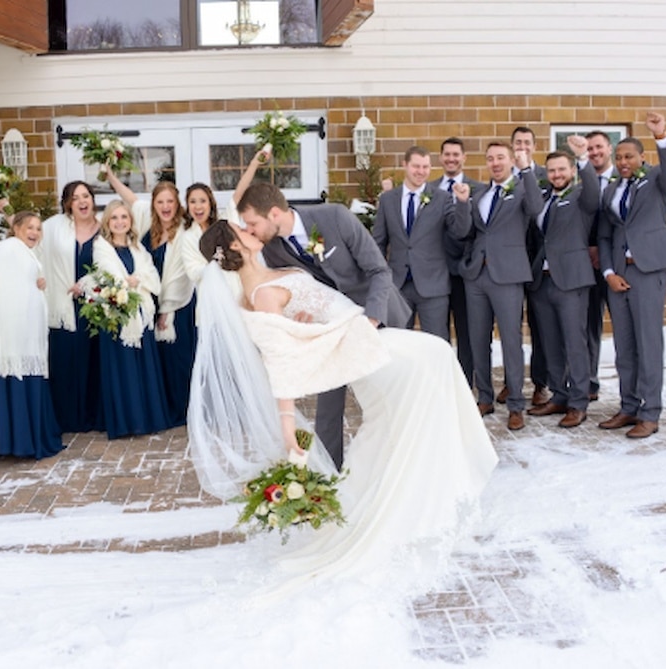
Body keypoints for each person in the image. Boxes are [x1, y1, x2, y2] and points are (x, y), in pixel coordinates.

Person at [189, 219, 498, 583]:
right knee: (437, 355)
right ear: (236, 248)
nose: (249, 229)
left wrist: (307, 323)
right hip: (363, 353)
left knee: (404, 407)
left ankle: (419, 498)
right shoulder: (262, 295)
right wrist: (287, 427)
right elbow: (281, 360)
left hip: (362, 337)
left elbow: (300, 328)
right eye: (242, 230)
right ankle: (421, 500)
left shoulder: (271, 274)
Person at [237, 182, 411, 469]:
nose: (251, 230)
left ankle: (399, 463)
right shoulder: (273, 251)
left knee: (388, 397)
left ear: (275, 213)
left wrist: (370, 320)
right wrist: (301, 315)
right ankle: (330, 473)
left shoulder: (335, 217)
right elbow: (298, 289)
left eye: (253, 223)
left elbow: (379, 271)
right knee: (328, 402)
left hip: (378, 316)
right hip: (331, 329)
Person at [597, 112, 666, 438]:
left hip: (648, 271)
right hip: (618, 275)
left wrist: (661, 136)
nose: (623, 162)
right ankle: (629, 407)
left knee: (649, 344)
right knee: (624, 345)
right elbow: (604, 236)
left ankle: (650, 412)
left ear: (642, 157)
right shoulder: (611, 190)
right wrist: (607, 272)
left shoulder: (657, 179)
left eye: (628, 156)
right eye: (618, 157)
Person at [458, 141, 544, 431]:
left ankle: (517, 403)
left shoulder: (522, 190)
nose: (495, 163)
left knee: (511, 341)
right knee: (477, 339)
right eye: (490, 158)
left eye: (500, 158)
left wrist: (526, 170)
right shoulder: (479, 193)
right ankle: (484, 396)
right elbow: (468, 232)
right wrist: (461, 204)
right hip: (477, 276)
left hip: (507, 275)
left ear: (510, 160)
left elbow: (536, 208)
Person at [0, 211, 65, 459]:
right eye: (30, 227)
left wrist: (38, 285)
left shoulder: (27, 253)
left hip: (26, 333)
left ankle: (26, 440)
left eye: (38, 228)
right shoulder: (8, 248)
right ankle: (19, 442)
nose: (34, 232)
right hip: (13, 333)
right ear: (16, 228)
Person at [525, 139, 599, 428]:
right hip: (542, 280)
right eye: (552, 170)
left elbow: (594, 193)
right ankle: (559, 394)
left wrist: (583, 156)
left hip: (571, 280)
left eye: (561, 169)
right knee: (550, 342)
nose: (556, 175)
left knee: (574, 342)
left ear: (572, 170)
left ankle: (578, 402)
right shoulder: (542, 197)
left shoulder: (582, 195)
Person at [372, 145, 472, 340]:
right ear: (405, 166)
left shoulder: (442, 198)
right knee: (398, 343)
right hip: (398, 286)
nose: (421, 172)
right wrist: (379, 279)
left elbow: (460, 231)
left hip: (432, 285)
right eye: (416, 166)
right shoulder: (388, 200)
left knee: (436, 343)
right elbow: (379, 242)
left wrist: (462, 203)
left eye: (426, 167)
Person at [91, 200, 173, 438]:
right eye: (114, 218)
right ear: (107, 222)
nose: (119, 222)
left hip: (141, 313)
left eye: (124, 217)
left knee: (142, 367)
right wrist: (131, 281)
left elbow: (151, 275)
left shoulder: (138, 248)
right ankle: (126, 422)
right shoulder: (101, 247)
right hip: (117, 316)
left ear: (130, 221)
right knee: (122, 369)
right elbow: (108, 275)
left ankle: (146, 419)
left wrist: (136, 279)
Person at [39, 181, 104, 434]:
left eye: (86, 195)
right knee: (65, 361)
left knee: (92, 361)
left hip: (94, 305)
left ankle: (92, 416)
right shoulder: (54, 227)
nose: (82, 201)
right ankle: (66, 418)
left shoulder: (103, 229)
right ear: (67, 204)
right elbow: (30, 241)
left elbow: (111, 265)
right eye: (75, 198)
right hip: (62, 305)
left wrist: (88, 284)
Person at [142, 181, 197, 426]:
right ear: (154, 205)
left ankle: (187, 411)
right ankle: (168, 409)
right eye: (160, 201)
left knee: (181, 359)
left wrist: (168, 308)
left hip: (180, 305)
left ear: (178, 204)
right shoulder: (149, 232)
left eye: (170, 201)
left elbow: (184, 272)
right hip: (155, 303)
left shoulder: (186, 230)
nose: (166, 206)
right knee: (163, 361)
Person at [429, 137, 480, 386]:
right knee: (438, 332)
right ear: (440, 157)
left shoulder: (478, 188)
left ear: (464, 158)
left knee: (466, 331)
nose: (451, 158)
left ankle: (465, 383)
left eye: (456, 154)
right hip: (436, 271)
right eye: (447, 154)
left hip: (465, 271)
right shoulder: (429, 190)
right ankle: (442, 382)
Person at [508, 126, 550, 408]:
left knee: (539, 326)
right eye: (518, 142)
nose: (522, 146)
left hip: (537, 261)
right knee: (511, 327)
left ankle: (540, 383)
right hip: (507, 263)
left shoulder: (546, 177)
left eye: (527, 142)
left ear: (534, 146)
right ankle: (513, 385)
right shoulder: (502, 176)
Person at [584, 130, 616, 401]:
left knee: (624, 326)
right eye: (590, 149)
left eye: (598, 147)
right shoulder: (582, 180)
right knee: (590, 324)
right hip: (589, 264)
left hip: (619, 264)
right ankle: (589, 381)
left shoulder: (624, 178)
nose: (595, 153)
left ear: (609, 148)